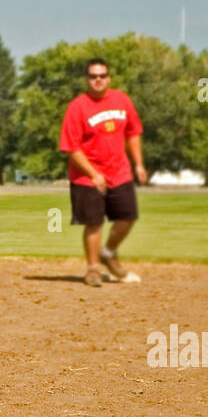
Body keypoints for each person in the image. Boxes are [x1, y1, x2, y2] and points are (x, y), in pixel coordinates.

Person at [58, 58, 147, 287]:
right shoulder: (77, 107)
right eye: (93, 76)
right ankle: (93, 269)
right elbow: (71, 148)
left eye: (102, 75)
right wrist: (93, 174)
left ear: (108, 78)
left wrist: (138, 164)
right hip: (87, 176)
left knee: (127, 217)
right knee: (94, 223)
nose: (98, 80)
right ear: (86, 79)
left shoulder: (121, 100)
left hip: (120, 171)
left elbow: (133, 132)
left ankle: (108, 253)